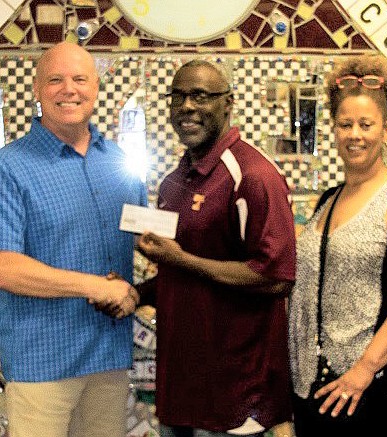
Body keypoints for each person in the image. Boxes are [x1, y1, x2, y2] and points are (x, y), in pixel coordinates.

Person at [0, 41, 147, 437]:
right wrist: (94, 287)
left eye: (79, 79)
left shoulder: (119, 162)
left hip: (108, 355)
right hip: (43, 362)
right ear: (37, 89)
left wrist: (135, 292)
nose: (69, 89)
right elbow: (1, 270)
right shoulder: (7, 168)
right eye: (55, 80)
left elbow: (143, 245)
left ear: (96, 87)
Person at [137, 60, 296, 437]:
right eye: (179, 96)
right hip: (181, 390)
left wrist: (180, 258)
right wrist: (135, 292)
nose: (187, 106)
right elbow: (181, 277)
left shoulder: (254, 175)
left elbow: (276, 277)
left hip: (235, 394)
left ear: (228, 103)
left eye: (201, 96)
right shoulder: (175, 182)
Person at [288, 55, 387, 436]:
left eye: (365, 125)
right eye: (345, 124)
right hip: (313, 392)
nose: (355, 135)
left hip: (371, 391)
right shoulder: (326, 201)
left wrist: (365, 368)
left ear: (385, 129)